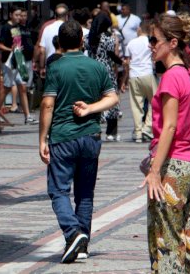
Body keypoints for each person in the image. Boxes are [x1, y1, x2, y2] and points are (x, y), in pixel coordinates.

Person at [39, 21, 118, 264]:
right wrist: (91, 109)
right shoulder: (96, 66)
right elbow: (113, 97)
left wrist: (42, 138)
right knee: (85, 193)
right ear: (82, 42)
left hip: (63, 136)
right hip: (91, 136)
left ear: (60, 44)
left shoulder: (56, 67)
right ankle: (82, 243)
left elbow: (47, 104)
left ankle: (73, 232)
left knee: (58, 189)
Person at [143, 13, 190, 272]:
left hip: (173, 170)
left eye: (154, 39)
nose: (150, 45)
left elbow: (170, 126)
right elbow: (188, 126)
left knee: (167, 241)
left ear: (172, 43)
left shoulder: (171, 77)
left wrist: (154, 170)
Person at [0, 6, 37, 124]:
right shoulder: (6, 27)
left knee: (23, 87)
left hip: (20, 60)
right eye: (16, 15)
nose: (19, 17)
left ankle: (28, 116)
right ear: (10, 15)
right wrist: (11, 49)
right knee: (6, 88)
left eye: (20, 15)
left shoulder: (17, 27)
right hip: (10, 62)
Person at [88, 11, 122, 141]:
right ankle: (111, 132)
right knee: (111, 97)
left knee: (95, 98)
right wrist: (121, 62)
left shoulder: (88, 38)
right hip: (106, 70)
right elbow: (112, 55)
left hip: (92, 70)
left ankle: (95, 128)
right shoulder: (109, 38)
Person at [122, 20, 157, 143]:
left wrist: (124, 80)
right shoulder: (150, 42)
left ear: (139, 29)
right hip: (147, 74)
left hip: (134, 75)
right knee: (155, 102)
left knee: (136, 105)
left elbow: (127, 62)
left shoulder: (131, 43)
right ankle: (147, 127)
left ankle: (137, 132)